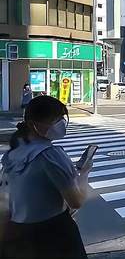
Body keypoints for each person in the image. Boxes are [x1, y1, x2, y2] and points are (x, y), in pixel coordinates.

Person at [0, 96, 92, 259]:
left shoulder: (12, 155)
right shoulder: (51, 155)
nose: (61, 123)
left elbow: (6, 203)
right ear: (32, 124)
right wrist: (83, 173)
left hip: (18, 235)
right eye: (55, 120)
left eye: (62, 118)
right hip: (54, 234)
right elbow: (76, 201)